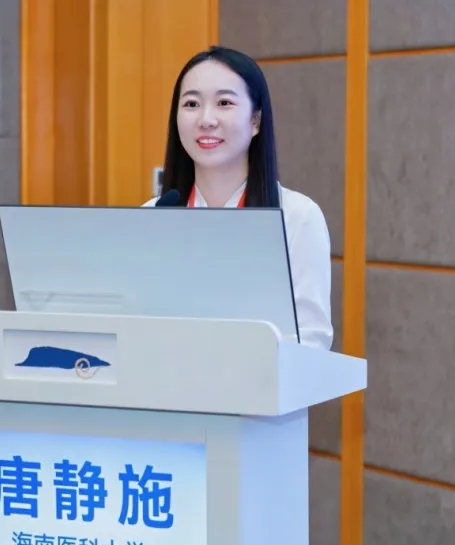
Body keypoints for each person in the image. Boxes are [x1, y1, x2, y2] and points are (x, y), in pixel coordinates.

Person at [143, 45, 334, 351]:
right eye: (191, 104)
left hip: (262, 382)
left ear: (255, 121)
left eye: (224, 103)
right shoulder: (151, 216)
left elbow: (310, 342)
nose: (206, 119)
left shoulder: (297, 217)